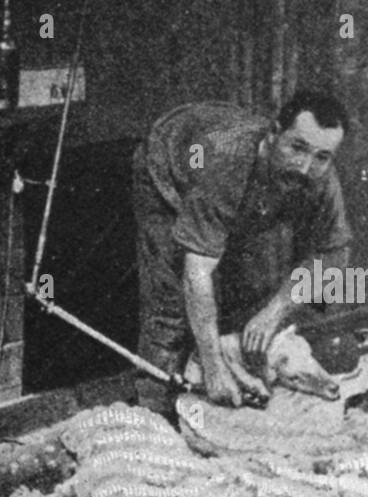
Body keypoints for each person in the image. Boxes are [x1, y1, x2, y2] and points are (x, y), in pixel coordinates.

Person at [131, 90, 353, 416]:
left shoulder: (320, 177)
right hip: (173, 165)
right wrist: (213, 367)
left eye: (321, 156)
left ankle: (233, 376)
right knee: (172, 304)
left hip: (238, 183)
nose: (306, 167)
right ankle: (156, 410)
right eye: (297, 148)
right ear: (274, 133)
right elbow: (197, 272)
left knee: (256, 292)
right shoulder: (225, 162)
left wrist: (275, 311)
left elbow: (334, 254)